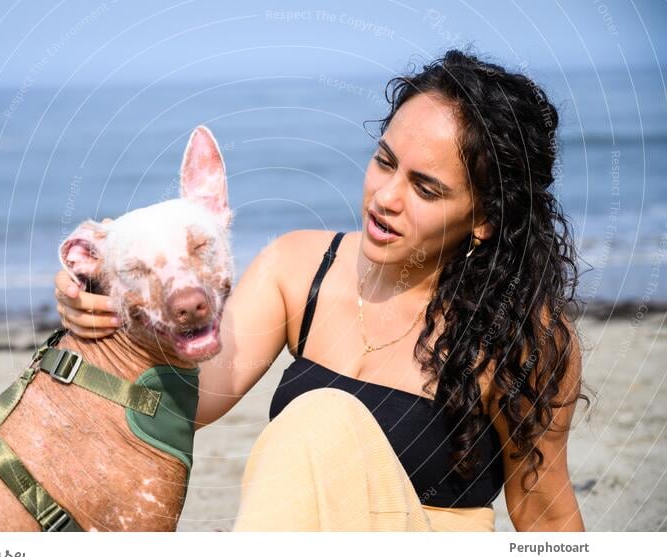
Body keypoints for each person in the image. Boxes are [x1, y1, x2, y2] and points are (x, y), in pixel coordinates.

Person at [54, 49, 590, 532]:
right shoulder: (299, 266)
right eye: (384, 162)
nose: (386, 197)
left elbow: (545, 510)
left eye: (425, 188)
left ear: (485, 220)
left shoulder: (520, 333)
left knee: (322, 417)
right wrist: (108, 291)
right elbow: (188, 400)